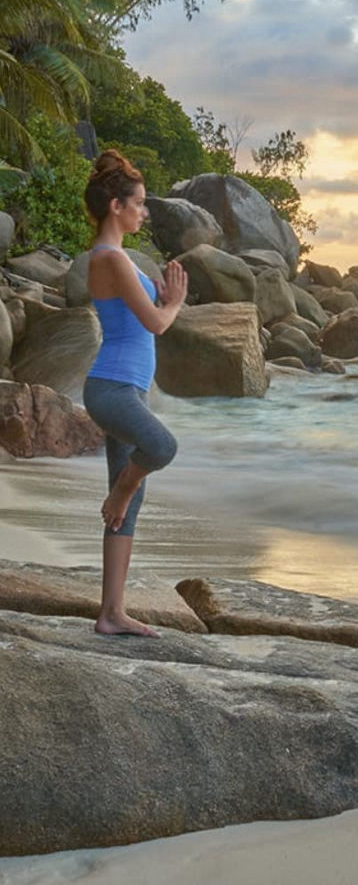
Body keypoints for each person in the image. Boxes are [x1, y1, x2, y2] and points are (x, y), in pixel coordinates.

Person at [82, 150, 188, 637]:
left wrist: (163, 298)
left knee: (130, 506)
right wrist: (175, 304)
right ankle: (121, 490)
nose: (144, 212)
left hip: (126, 389)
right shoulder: (110, 259)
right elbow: (155, 324)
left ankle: (111, 613)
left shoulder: (118, 258)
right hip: (112, 389)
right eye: (139, 203)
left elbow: (146, 317)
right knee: (160, 449)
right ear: (115, 207)